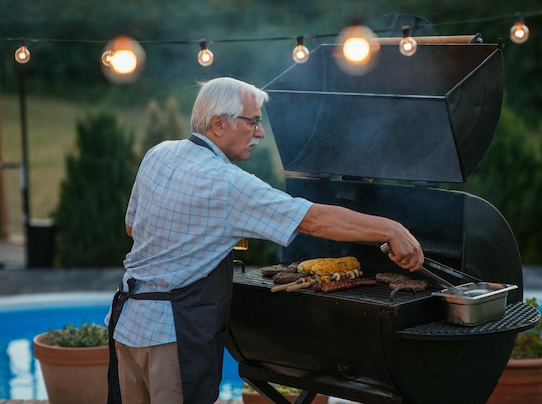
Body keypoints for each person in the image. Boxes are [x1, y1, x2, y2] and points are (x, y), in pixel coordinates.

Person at [106, 77, 423, 404]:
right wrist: (391, 229)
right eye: (253, 121)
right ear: (218, 123)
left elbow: (133, 228)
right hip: (173, 339)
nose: (260, 132)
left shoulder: (159, 154)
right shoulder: (228, 183)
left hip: (128, 327)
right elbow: (313, 220)